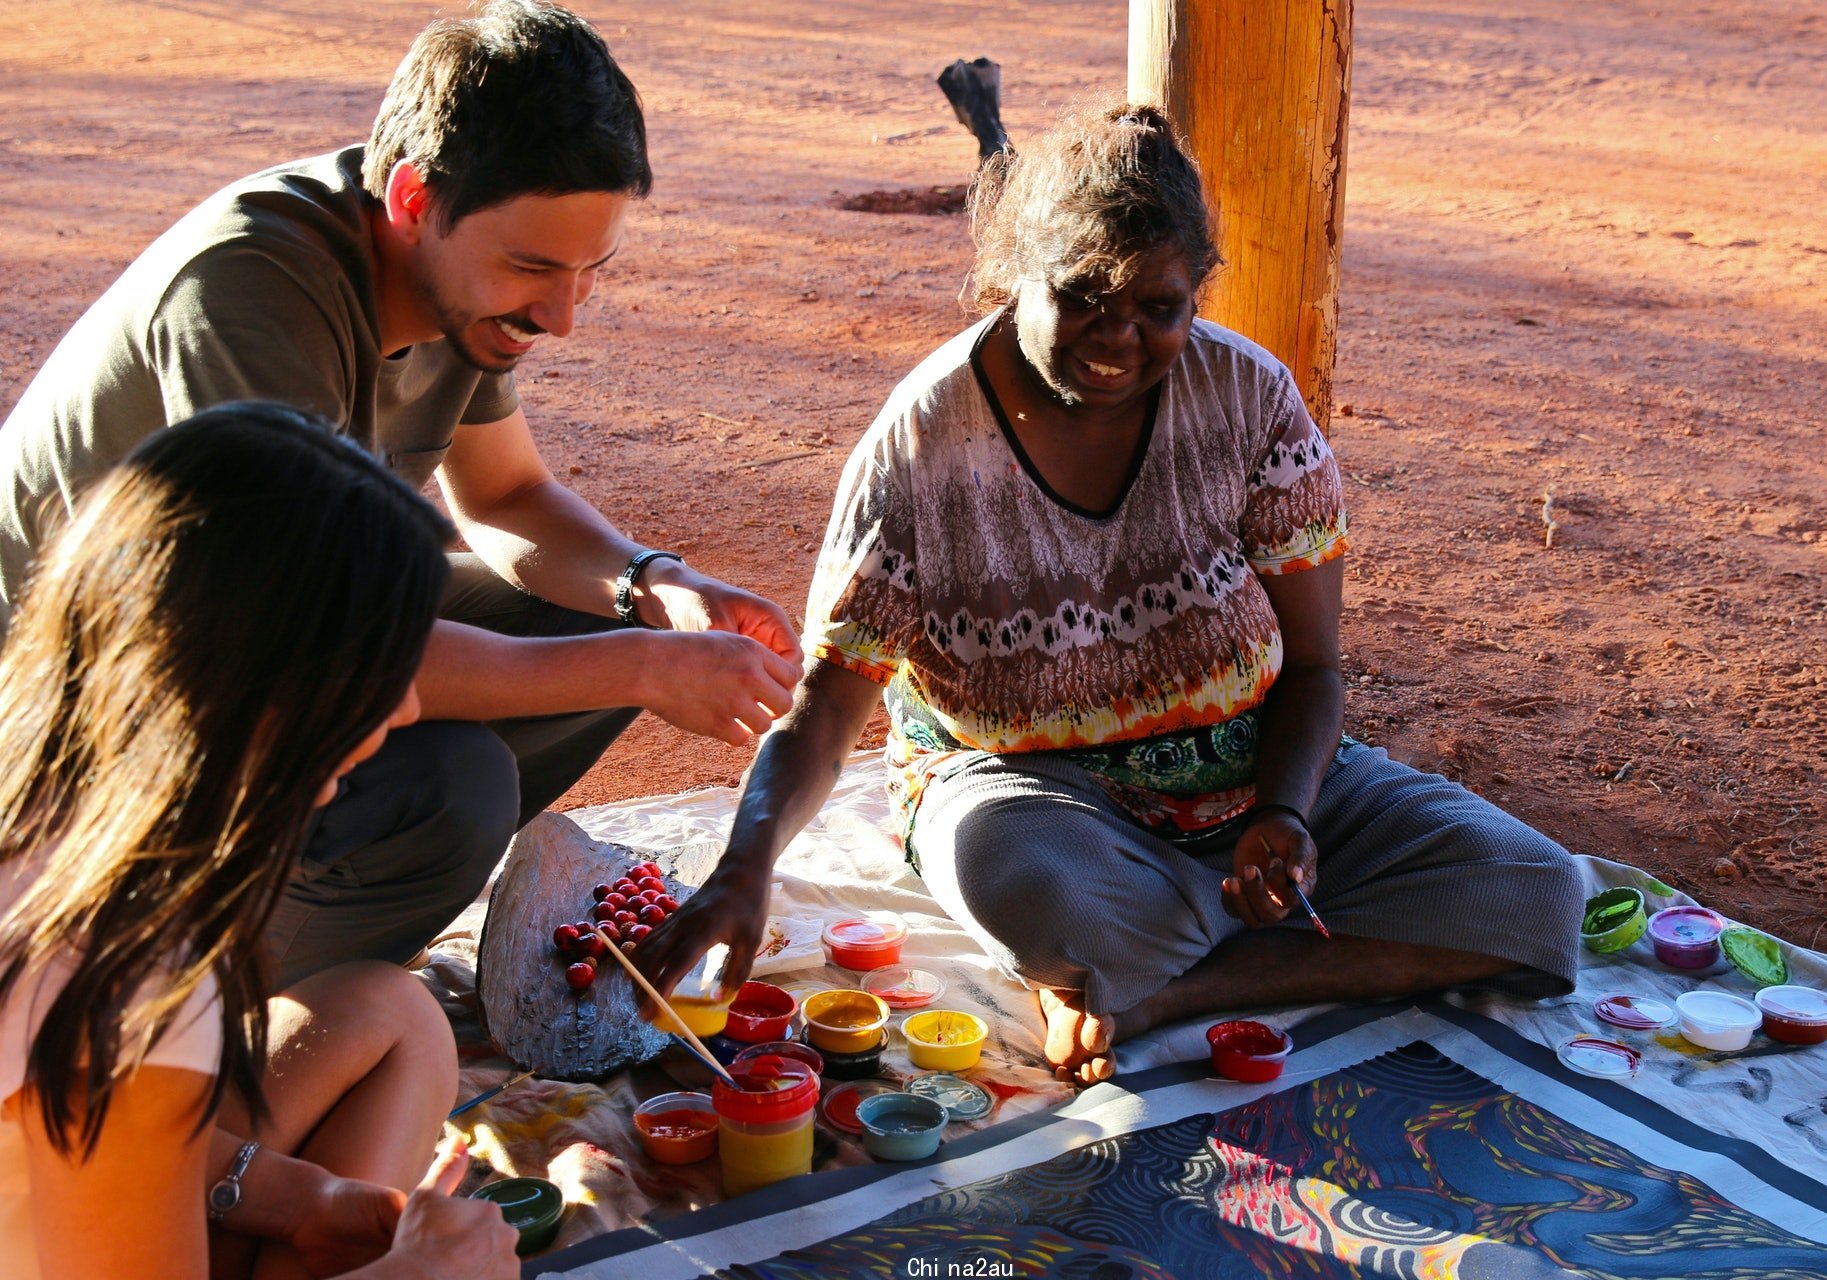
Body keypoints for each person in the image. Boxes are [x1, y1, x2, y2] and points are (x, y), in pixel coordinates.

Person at [644, 104, 1584, 1083]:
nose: (1118, 336)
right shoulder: (926, 441)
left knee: (1533, 896)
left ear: (1196, 294)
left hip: (1246, 775)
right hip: (1033, 793)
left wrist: (1287, 815)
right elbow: (830, 706)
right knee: (1028, 879)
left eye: (1158, 306)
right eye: (1085, 295)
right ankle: (1140, 952)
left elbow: (1310, 666)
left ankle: (1169, 986)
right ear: (1016, 276)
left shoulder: (1251, 400)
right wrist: (743, 867)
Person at [0, 0, 800, 989]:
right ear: (415, 198)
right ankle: (181, 992)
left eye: (590, 272)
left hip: (247, 651)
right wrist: (641, 662)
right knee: (456, 789)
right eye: (532, 268)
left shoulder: (455, 282)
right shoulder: (252, 287)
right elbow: (312, 644)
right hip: (79, 724)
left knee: (581, 612)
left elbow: (504, 494)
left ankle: (318, 891)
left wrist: (654, 587)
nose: (559, 316)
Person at [0, 404, 519, 1279]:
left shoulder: (49, 775)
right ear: (263, 687)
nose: (406, 708)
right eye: (379, 672)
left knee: (390, 1013)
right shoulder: (121, 962)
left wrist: (294, 1198)